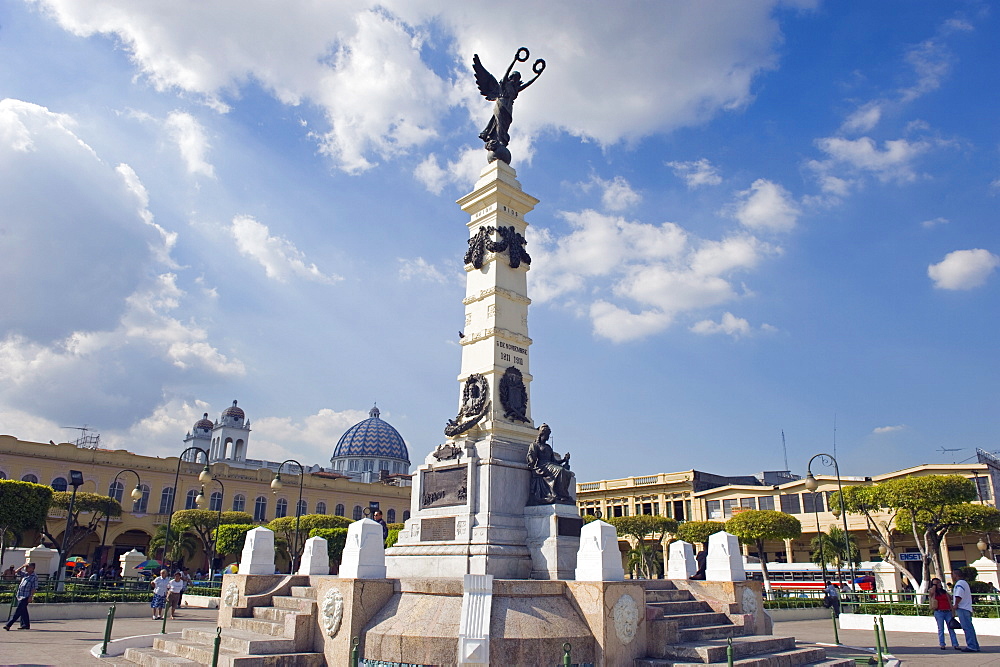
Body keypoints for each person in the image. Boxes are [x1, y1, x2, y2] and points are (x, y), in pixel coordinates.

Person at [951, 568, 980, 652]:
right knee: (969, 627)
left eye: (953, 575)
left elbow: (959, 595)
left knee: (966, 627)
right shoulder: (964, 583)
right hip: (967, 608)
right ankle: (975, 645)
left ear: (956, 575)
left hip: (962, 608)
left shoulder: (959, 584)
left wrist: (956, 604)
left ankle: (971, 646)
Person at [3, 563, 38, 631]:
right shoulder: (25, 574)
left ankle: (8, 624)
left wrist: (31, 596)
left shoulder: (34, 577)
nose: (27, 568)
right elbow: (16, 572)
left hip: (26, 596)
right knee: (23, 610)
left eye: (28, 567)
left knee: (18, 611)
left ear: (32, 568)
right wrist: (22, 566)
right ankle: (25, 625)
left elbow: (34, 588)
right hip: (20, 595)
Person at [928, 577, 960, 650]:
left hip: (947, 611)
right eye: (937, 583)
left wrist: (952, 611)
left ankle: (955, 644)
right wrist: (934, 585)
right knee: (941, 629)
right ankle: (942, 644)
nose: (939, 584)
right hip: (939, 612)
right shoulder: (933, 592)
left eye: (939, 583)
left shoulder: (944, 592)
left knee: (951, 628)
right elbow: (931, 593)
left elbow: (950, 599)